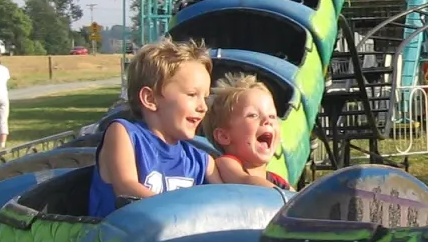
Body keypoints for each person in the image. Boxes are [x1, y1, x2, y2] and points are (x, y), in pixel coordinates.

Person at [87, 37, 221, 218]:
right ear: (150, 99)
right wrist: (183, 214)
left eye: (204, 98)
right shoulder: (124, 134)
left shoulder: (200, 160)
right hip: (120, 235)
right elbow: (126, 188)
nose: (203, 107)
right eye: (192, 94)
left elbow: (227, 198)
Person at [202, 73, 291, 189]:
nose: (267, 120)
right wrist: (287, 196)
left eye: (272, 116)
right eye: (253, 115)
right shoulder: (225, 163)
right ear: (224, 136)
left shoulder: (276, 180)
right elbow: (244, 181)